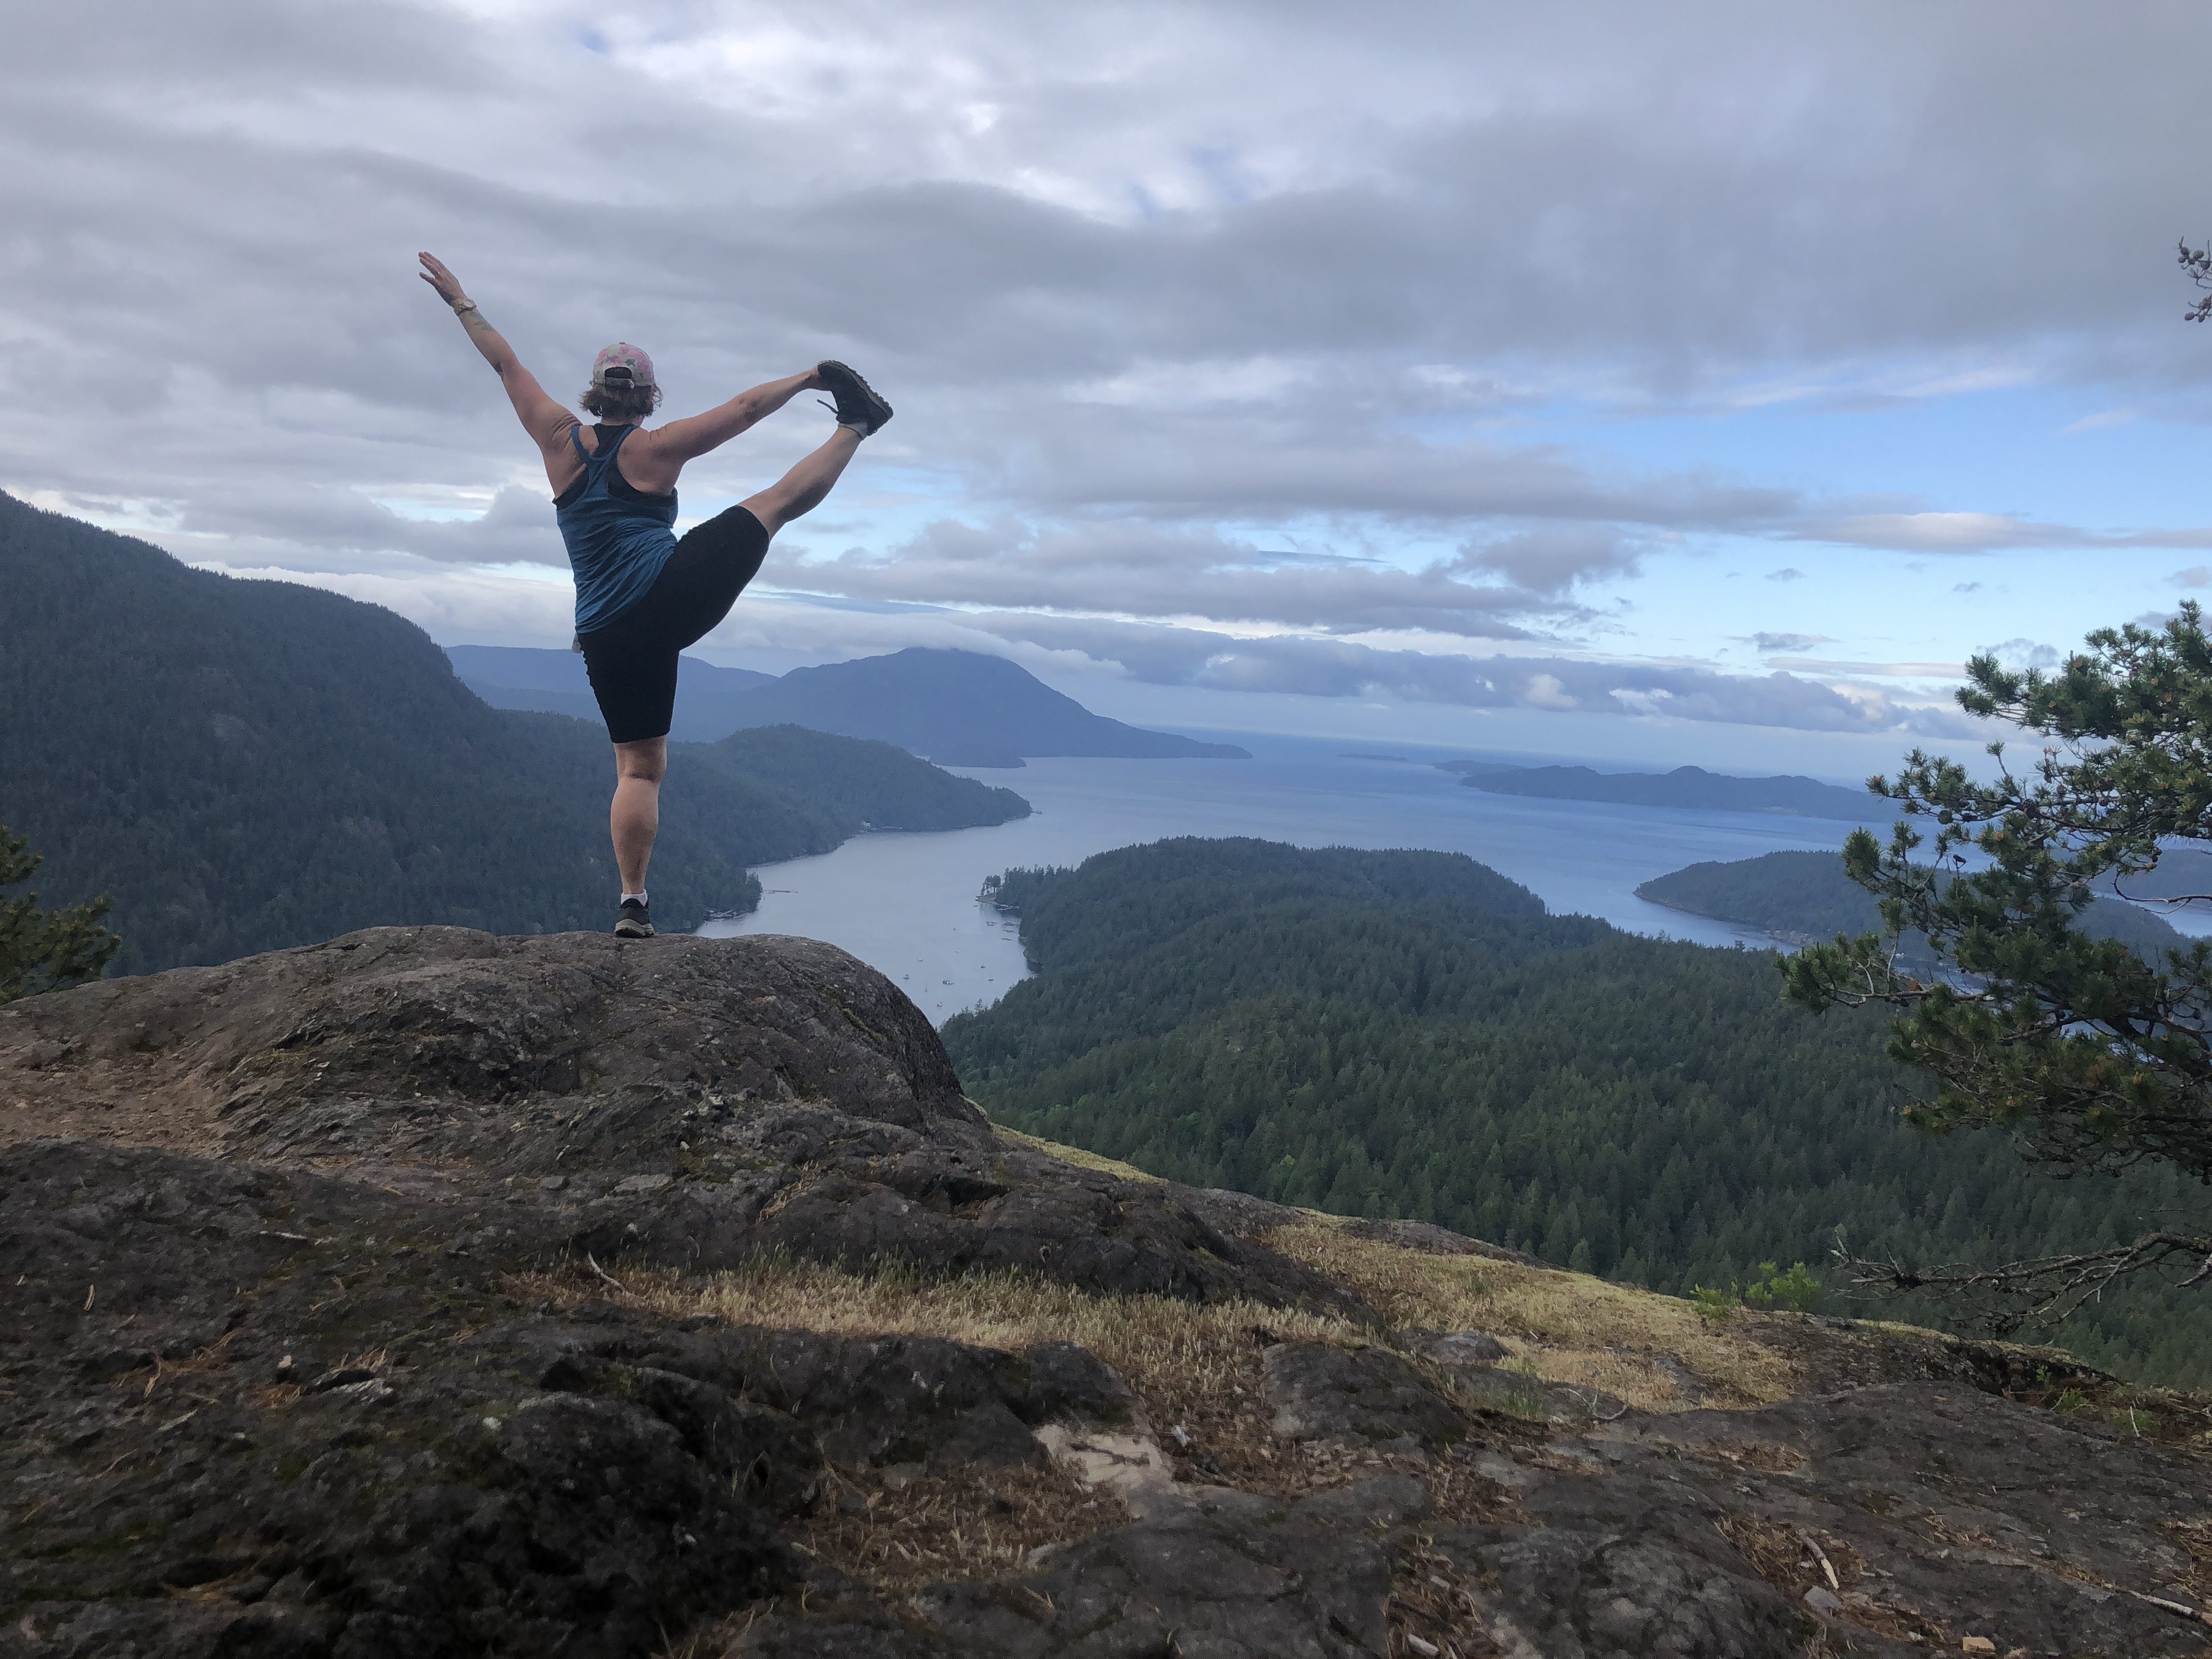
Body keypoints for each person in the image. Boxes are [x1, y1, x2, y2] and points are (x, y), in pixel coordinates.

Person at [416, 251, 892, 939]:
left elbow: (505, 364)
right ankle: (857, 425)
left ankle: (632, 903)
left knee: (636, 771)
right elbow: (744, 410)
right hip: (674, 598)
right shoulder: (658, 448)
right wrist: (811, 377)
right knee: (775, 502)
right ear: (644, 397)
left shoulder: (556, 438)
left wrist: (463, 303)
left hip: (607, 634)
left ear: (593, 392)